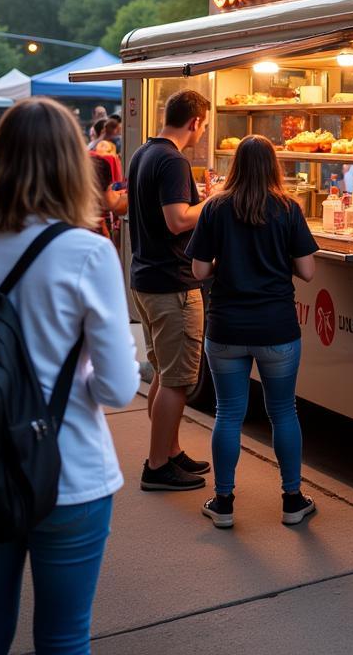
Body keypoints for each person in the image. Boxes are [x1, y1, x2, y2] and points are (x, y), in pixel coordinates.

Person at [0, 97, 139, 652]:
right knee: (65, 638)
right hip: (69, 471)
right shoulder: (87, 253)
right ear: (73, 165)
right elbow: (117, 386)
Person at [186, 135, 318, 528]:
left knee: (228, 413)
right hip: (276, 328)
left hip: (226, 326)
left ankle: (223, 503)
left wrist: (227, 264)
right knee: (283, 412)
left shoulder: (215, 208)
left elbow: (198, 271)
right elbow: (308, 270)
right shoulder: (288, 209)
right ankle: (293, 500)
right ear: (274, 166)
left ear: (236, 166)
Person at [128, 88, 216, 491]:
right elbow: (178, 221)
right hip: (172, 285)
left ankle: (170, 450)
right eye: (204, 125)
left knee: (163, 373)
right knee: (178, 379)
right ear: (195, 121)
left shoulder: (143, 153)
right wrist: (213, 203)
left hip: (146, 279)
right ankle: (158, 464)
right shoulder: (174, 160)